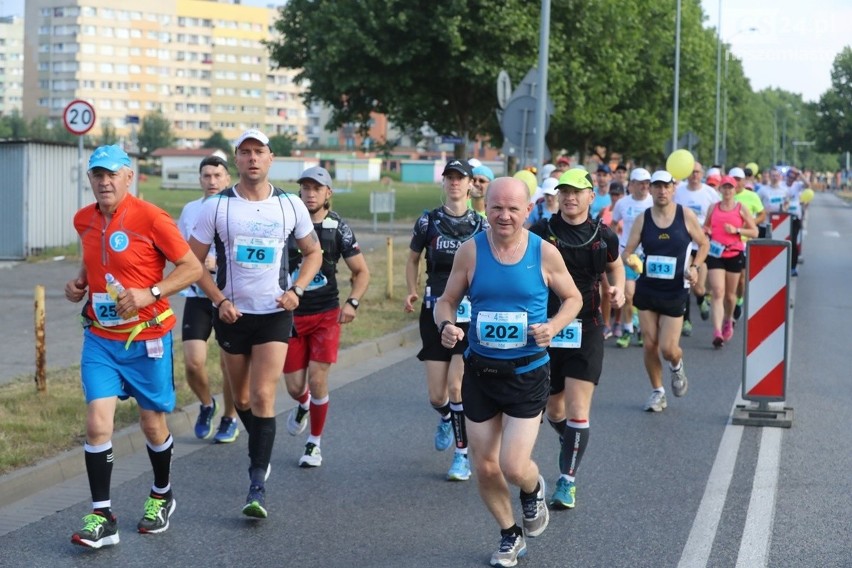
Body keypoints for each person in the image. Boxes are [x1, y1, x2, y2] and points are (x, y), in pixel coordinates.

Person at [434, 176, 583, 567]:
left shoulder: (544, 252)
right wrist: (446, 324)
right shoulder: (471, 251)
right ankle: (509, 534)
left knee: (514, 465)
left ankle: (532, 490)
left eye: (513, 208)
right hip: (480, 372)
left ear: (528, 211)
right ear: (486, 208)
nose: (504, 215)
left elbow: (573, 298)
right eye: (497, 207)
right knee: (484, 465)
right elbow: (446, 300)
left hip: (528, 371)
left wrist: (553, 326)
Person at [65, 145, 203, 548]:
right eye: (97, 175)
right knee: (96, 424)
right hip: (101, 339)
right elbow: (97, 261)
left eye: (112, 174)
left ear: (129, 176)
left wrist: (152, 292)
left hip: (147, 340)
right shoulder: (84, 219)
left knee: (151, 424)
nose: (104, 182)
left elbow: (191, 268)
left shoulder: (152, 218)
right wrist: (79, 283)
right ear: (89, 179)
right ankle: (102, 515)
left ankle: (162, 493)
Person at [188, 129, 322, 519]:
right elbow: (192, 263)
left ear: (270, 158)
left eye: (258, 152)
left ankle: (256, 482)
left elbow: (312, 253)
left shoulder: (289, 205)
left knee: (264, 397)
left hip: (274, 314)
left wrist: (297, 289)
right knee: (243, 399)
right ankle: (259, 445)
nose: (251, 159)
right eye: (244, 152)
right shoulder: (217, 208)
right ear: (236, 159)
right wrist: (219, 300)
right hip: (232, 315)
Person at [529, 168, 625, 511]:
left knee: (577, 409)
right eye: (564, 191)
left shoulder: (603, 236)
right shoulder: (541, 231)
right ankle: (570, 441)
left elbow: (615, 266)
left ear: (590, 196)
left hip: (586, 327)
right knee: (553, 409)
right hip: (546, 328)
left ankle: (566, 481)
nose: (569, 197)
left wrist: (618, 290)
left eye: (577, 192)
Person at [404, 158, 487, 481]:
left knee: (457, 387)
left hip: (469, 314)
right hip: (435, 312)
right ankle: (446, 418)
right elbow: (413, 259)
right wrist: (411, 290)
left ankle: (462, 456)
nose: (454, 183)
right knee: (437, 396)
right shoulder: (428, 222)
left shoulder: (482, 225)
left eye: (460, 178)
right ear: (444, 183)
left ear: (471, 185)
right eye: (449, 177)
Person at [283, 166, 370, 467]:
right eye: (305, 187)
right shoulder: (287, 223)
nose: (310, 193)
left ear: (328, 193)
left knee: (318, 380)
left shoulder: (338, 228)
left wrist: (352, 303)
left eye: (316, 188)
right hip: (291, 315)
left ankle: (313, 444)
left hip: (325, 314)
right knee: (295, 387)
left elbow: (361, 272)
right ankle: (303, 405)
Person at [621, 171, 709, 413]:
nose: (661, 191)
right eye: (656, 186)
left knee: (668, 348)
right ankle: (658, 391)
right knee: (649, 344)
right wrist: (631, 261)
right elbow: (627, 251)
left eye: (665, 187)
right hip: (648, 288)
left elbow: (703, 244)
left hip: (674, 291)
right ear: (650, 190)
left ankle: (677, 365)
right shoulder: (643, 218)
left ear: (673, 189)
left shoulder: (685, 215)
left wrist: (694, 266)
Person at [177, 155, 240, 443]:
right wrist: (196, 265)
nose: (212, 181)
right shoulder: (190, 211)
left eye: (217, 175)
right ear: (200, 179)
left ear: (228, 178)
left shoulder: (239, 208)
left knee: (230, 364)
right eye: (206, 176)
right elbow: (179, 253)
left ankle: (230, 417)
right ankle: (206, 404)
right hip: (198, 296)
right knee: (193, 362)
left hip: (232, 298)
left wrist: (221, 264)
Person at [703, 176, 758, 348]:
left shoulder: (741, 208)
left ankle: (728, 318)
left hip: (734, 253)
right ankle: (717, 332)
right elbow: (706, 227)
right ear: (720, 190)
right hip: (715, 254)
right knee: (718, 291)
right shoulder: (713, 208)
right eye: (724, 188)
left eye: (730, 188)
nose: (727, 191)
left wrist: (737, 230)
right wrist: (705, 231)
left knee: (730, 295)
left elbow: (754, 232)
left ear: (735, 190)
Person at [674, 161, 720, 336]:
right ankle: (686, 320)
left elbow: (718, 215)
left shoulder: (710, 193)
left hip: (701, 244)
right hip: (684, 243)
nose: (694, 175)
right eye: (692, 172)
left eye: (698, 172)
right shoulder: (679, 192)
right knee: (684, 281)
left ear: (702, 174)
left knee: (698, 287)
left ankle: (701, 299)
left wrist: (710, 228)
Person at [611, 167, 653, 347]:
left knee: (645, 296)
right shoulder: (622, 203)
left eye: (647, 183)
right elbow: (613, 223)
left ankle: (643, 330)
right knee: (628, 294)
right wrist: (611, 246)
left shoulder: (654, 203)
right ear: (632, 184)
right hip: (627, 253)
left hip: (648, 254)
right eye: (641, 183)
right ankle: (627, 330)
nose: (644, 186)